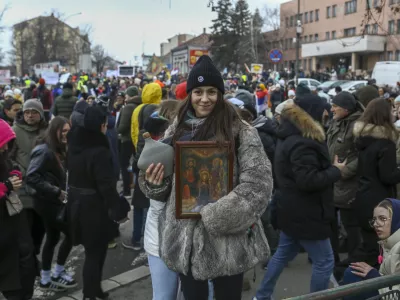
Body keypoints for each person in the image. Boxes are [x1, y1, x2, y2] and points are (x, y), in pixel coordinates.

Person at [140, 55, 272, 300]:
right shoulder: (177, 126)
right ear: (189, 93)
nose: (204, 98)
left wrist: (215, 215)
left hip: (227, 243)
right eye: (198, 91)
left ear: (220, 94)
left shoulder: (241, 131)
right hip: (185, 242)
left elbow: (258, 186)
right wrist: (155, 183)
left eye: (212, 91)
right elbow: (165, 182)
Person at [254, 94, 346, 300]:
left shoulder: (290, 135)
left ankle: (261, 296)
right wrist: (335, 170)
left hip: (293, 210)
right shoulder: (303, 141)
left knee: (282, 254)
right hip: (307, 213)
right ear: (313, 113)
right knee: (324, 261)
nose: (327, 113)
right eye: (323, 109)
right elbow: (308, 180)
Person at [66, 106, 130, 300]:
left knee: (93, 252)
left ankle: (94, 291)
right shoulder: (98, 150)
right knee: (95, 254)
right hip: (94, 207)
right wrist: (117, 209)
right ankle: (90, 294)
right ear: (101, 125)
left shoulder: (75, 144)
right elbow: (106, 186)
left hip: (77, 204)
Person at [26, 117, 76, 291]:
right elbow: (31, 177)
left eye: (68, 131)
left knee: (53, 237)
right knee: (72, 234)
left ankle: (47, 279)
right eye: (63, 131)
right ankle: (56, 273)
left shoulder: (57, 148)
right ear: (54, 130)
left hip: (51, 202)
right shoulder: (44, 150)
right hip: (48, 203)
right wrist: (56, 191)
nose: (66, 134)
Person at [351, 97, 400, 268]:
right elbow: (388, 176)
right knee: (377, 250)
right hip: (379, 201)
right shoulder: (386, 143)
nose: (395, 113)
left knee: (369, 244)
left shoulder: (364, 139)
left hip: (363, 197)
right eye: (392, 110)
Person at [140, 101, 180, 300]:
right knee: (164, 296)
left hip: (187, 237)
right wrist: (156, 186)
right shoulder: (155, 152)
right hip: (159, 237)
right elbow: (153, 196)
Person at [0, 119, 36, 300]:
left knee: (25, 257)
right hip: (5, 231)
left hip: (14, 220)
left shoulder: (4, 158)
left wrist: (15, 175)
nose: (6, 149)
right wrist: (4, 186)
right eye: (3, 144)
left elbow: (13, 167)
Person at [123, 83, 162, 251]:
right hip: (157, 161)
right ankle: (149, 241)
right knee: (153, 205)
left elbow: (133, 131)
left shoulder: (137, 109)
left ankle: (136, 237)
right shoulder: (161, 109)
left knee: (139, 203)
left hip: (140, 158)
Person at [341, 199, 400, 300]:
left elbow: (396, 295)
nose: (376, 224)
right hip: (385, 291)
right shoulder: (388, 243)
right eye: (374, 220)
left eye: (382, 219)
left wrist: (374, 277)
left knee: (352, 275)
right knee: (353, 272)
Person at [10, 99, 48, 255]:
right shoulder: (14, 131)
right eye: (27, 112)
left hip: (43, 190)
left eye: (34, 112)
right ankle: (29, 265)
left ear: (40, 114)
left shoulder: (47, 131)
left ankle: (34, 259)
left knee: (40, 231)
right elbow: (8, 158)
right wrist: (23, 171)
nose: (30, 116)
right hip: (23, 191)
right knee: (25, 234)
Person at [117, 88, 141, 198]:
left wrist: (117, 131)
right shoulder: (141, 105)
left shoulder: (128, 107)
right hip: (137, 139)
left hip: (126, 139)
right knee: (136, 164)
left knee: (124, 165)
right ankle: (136, 188)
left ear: (129, 95)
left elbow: (122, 126)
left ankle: (126, 190)